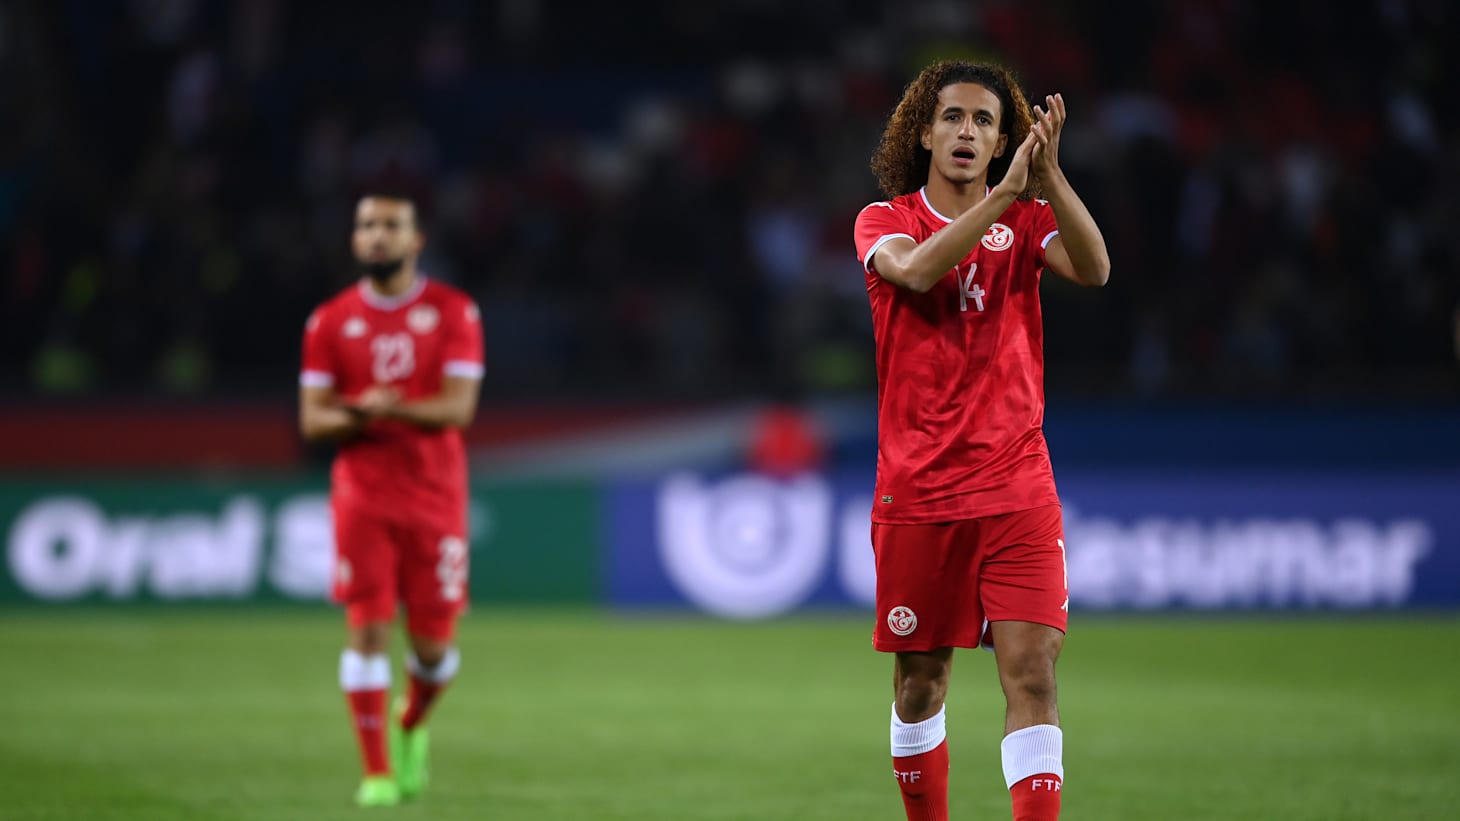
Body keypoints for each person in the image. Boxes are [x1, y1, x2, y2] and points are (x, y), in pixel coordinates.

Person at [852, 61, 1110, 821]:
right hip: (920, 493)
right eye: (953, 117)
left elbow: (1095, 268)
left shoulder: (1026, 224)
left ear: (1003, 142)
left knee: (1033, 675)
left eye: (985, 121)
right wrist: (1002, 196)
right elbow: (916, 272)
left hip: (1017, 485)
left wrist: (1050, 178)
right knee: (920, 685)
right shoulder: (885, 220)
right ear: (924, 133)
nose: (968, 131)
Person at [299, 192, 485, 807]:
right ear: (355, 239)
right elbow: (312, 421)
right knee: (368, 631)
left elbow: (459, 409)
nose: (377, 235)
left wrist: (389, 407)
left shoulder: (454, 311)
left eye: (390, 226)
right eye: (366, 225)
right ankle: (376, 772)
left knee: (434, 650)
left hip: (435, 496)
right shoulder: (329, 322)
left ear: (415, 240)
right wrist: (359, 413)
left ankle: (412, 722)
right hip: (363, 496)